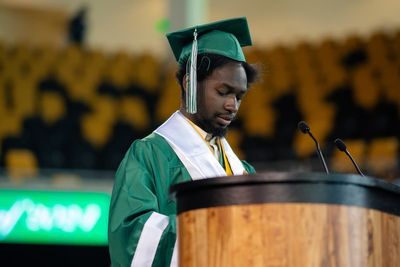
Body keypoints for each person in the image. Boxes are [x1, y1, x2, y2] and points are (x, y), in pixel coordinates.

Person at [108, 17, 259, 267]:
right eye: (223, 92)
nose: (232, 105)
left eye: (239, 96)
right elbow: (131, 236)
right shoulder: (149, 155)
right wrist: (212, 227)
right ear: (190, 84)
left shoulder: (242, 170)